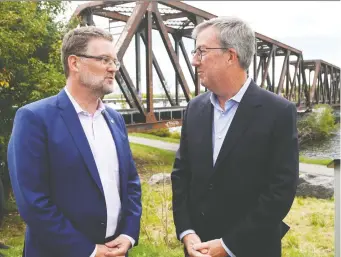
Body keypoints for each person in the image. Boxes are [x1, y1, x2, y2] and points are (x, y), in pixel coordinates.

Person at [7, 26, 142, 257]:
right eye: (104, 59)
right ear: (75, 63)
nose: (113, 68)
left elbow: (130, 182)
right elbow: (32, 201)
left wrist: (128, 235)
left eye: (115, 61)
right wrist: (87, 251)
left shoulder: (115, 119)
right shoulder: (35, 118)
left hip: (115, 250)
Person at [171, 16, 298, 257]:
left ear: (231, 56)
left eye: (201, 51)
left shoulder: (278, 112)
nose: (194, 61)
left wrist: (229, 245)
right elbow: (181, 175)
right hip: (198, 248)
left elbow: (280, 190)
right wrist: (187, 231)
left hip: (251, 248)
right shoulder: (194, 109)